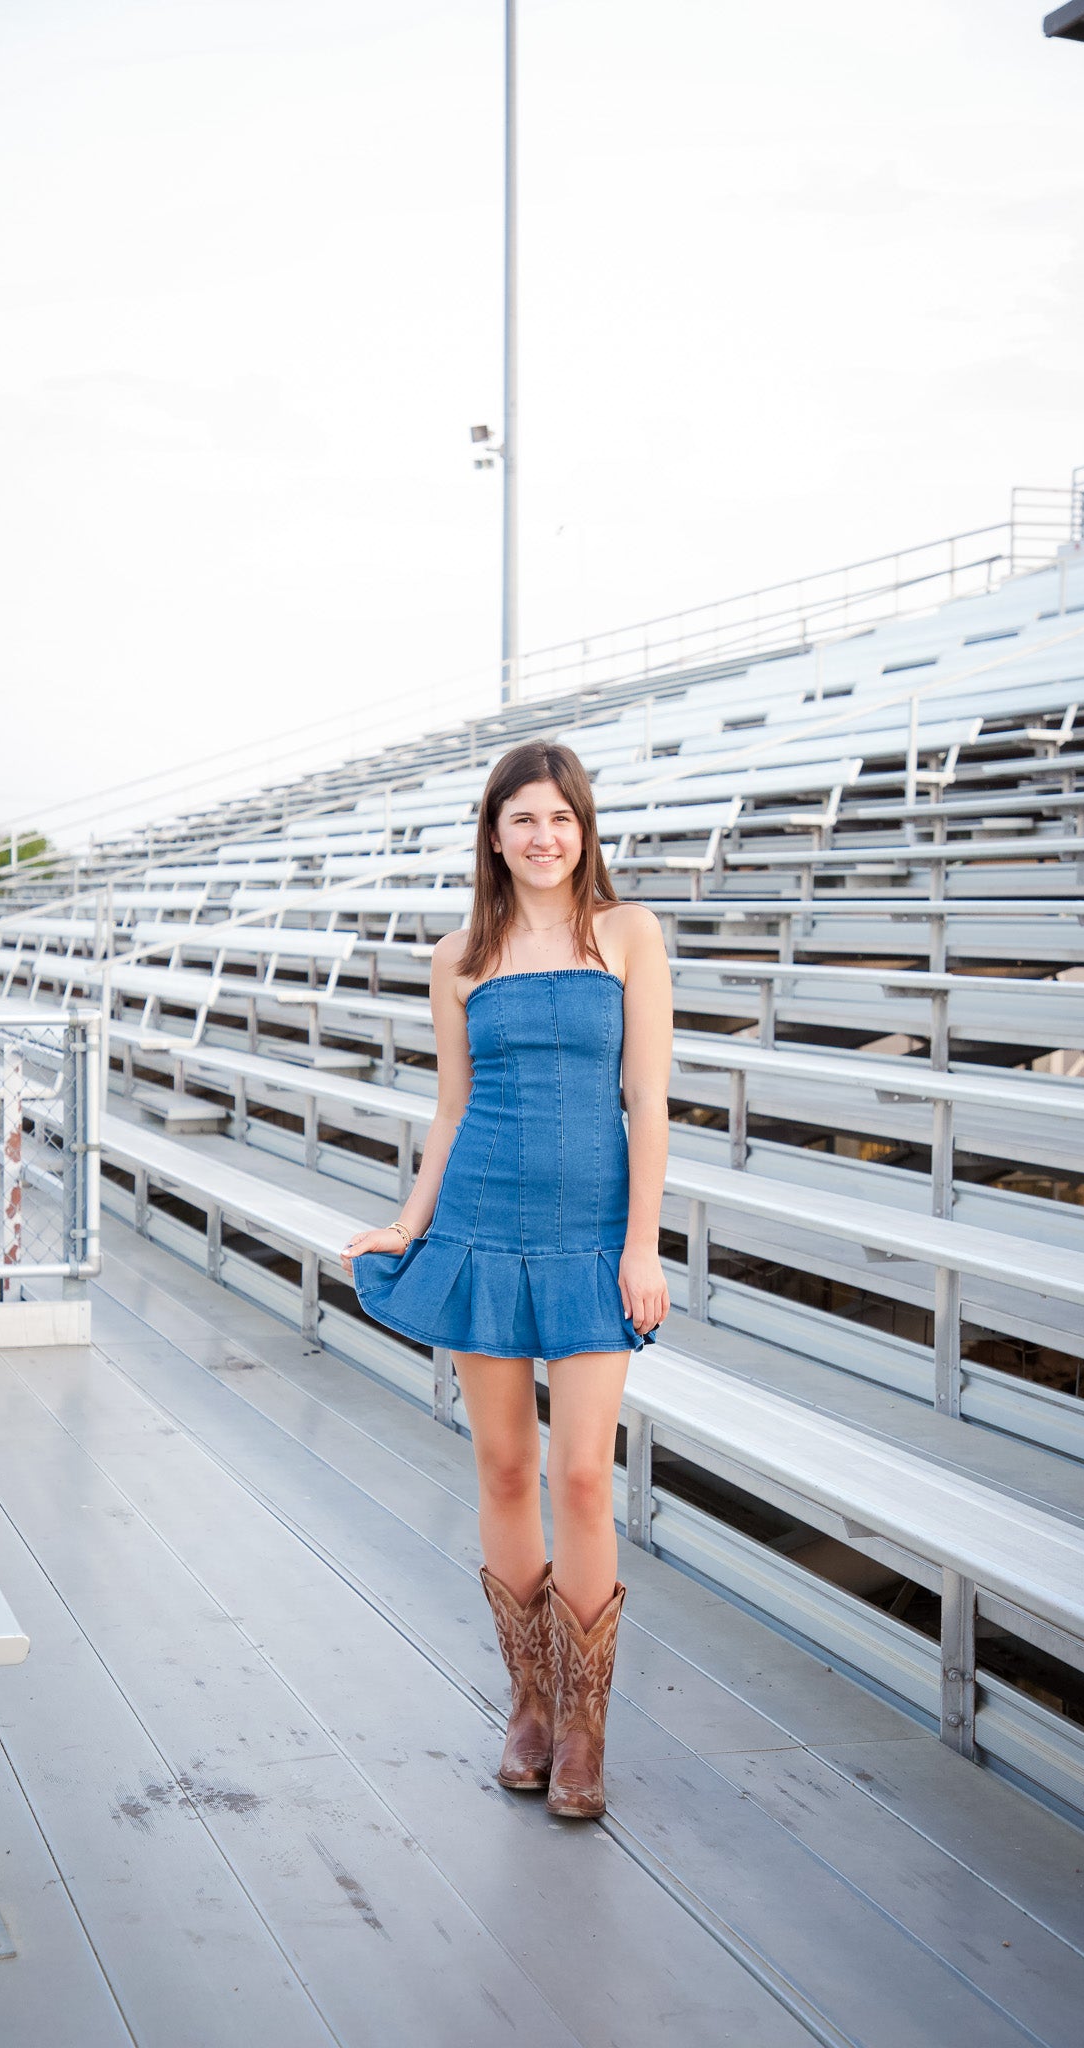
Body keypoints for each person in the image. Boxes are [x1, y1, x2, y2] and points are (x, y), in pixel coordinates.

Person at [340, 739, 672, 1818]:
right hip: (481, 1221)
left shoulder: (627, 934)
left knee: (580, 1473)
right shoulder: (459, 957)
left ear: (585, 830)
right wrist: (408, 1219)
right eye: (523, 818)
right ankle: (529, 1700)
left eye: (562, 818)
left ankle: (586, 1723)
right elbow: (449, 1106)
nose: (544, 836)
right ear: (494, 833)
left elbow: (650, 1103)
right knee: (499, 1463)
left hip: (589, 1236)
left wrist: (642, 1242)